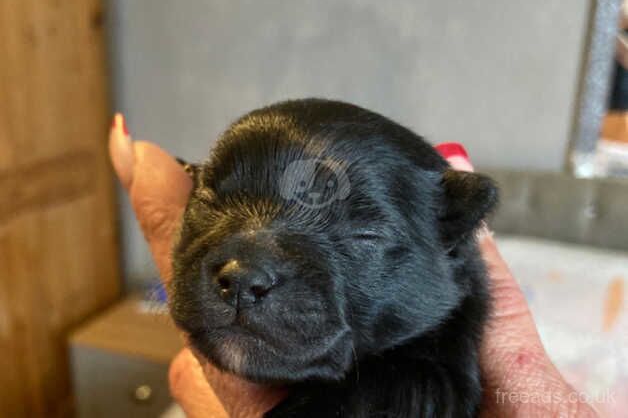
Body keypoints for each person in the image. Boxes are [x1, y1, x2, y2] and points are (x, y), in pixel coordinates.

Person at [109, 114, 599, 418]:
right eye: (215, 198)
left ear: (448, 237)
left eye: (361, 235)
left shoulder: (430, 370)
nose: (243, 269)